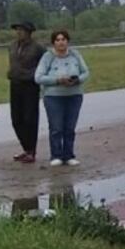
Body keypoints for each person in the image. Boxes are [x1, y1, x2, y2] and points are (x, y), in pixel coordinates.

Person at [34, 29, 89, 167]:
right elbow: (38, 77)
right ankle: (56, 155)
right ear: (53, 43)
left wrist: (78, 80)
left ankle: (69, 154)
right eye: (57, 40)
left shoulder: (75, 54)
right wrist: (58, 80)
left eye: (63, 39)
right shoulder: (47, 57)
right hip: (53, 96)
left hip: (74, 95)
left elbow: (86, 72)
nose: (61, 42)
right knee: (56, 127)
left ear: (67, 41)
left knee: (70, 127)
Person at [8, 21, 45, 163]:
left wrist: (34, 75)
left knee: (30, 118)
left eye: (21, 30)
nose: (18, 32)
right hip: (15, 84)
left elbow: (45, 64)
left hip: (30, 86)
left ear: (29, 32)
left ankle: (31, 151)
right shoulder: (12, 46)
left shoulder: (38, 48)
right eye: (17, 30)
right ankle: (26, 148)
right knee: (16, 119)